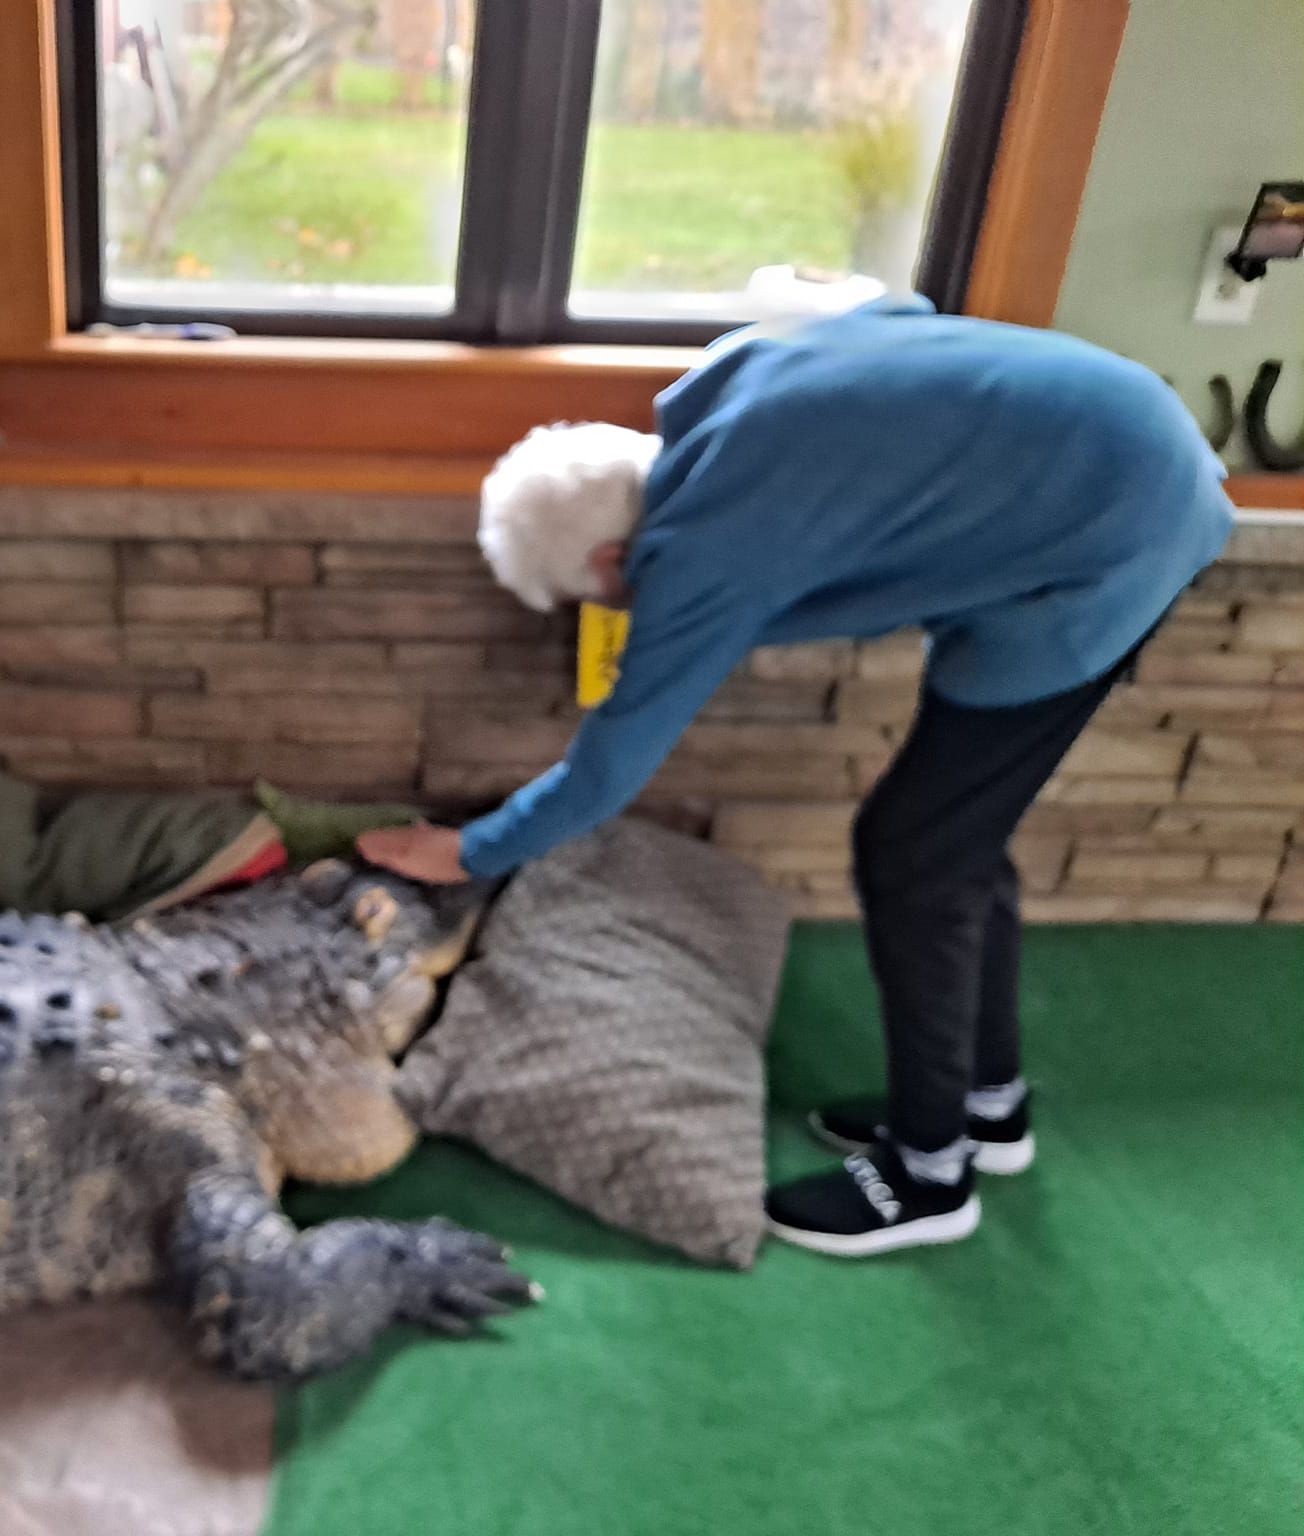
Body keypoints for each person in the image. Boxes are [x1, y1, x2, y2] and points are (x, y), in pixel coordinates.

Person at [357, 294, 1235, 1258]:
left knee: (915, 855)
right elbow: (901, 311)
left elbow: (608, 770)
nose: (616, 610)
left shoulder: (702, 548)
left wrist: (468, 849)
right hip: (1119, 451)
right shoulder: (717, 393)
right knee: (955, 837)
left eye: (602, 596)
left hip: (1114, 535)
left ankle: (929, 1176)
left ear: (615, 555)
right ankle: (987, 1106)